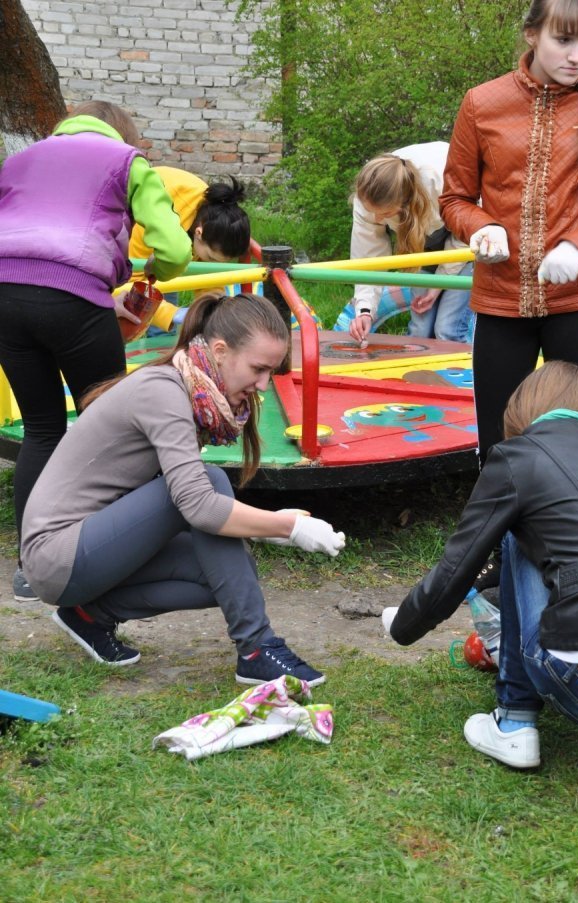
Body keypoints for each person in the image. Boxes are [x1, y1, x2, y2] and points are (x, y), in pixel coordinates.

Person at [19, 292, 346, 687]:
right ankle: (257, 648)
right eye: (258, 369)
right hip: (58, 554)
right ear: (221, 351)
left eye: (270, 372)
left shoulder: (190, 390)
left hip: (90, 547)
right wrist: (286, 528)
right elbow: (197, 504)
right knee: (208, 483)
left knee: (226, 576)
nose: (262, 385)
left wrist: (268, 525)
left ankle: (91, 615)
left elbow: (185, 505)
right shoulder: (165, 392)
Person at [0, 101, 192, 603]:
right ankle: (121, 552)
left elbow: (32, 246)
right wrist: (149, 276)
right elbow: (174, 250)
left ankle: (30, 566)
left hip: (3, 297)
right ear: (123, 134)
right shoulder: (127, 162)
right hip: (72, 300)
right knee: (116, 425)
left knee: (43, 427)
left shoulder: (21, 159)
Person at [439, 0, 578, 587]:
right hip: (500, 300)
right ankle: (493, 559)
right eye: (564, 40)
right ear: (533, 35)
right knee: (495, 434)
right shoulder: (482, 102)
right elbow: (454, 196)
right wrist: (479, 227)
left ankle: (573, 560)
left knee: (571, 428)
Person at [383, 361, 578, 769]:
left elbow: (458, 565)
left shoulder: (519, 457)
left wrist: (404, 626)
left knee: (515, 531)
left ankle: (514, 723)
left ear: (520, 415)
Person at [333, 144, 473, 345]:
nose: (378, 218)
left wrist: (438, 285)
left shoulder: (442, 179)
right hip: (421, 244)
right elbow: (367, 260)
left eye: (386, 214)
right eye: (373, 212)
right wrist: (364, 311)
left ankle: (456, 375)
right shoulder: (367, 198)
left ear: (406, 203)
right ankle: (417, 376)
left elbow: (466, 235)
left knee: (446, 329)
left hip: (464, 241)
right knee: (420, 330)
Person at [127, 168, 251, 333]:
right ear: (199, 233)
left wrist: (212, 308)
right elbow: (130, 281)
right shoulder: (154, 220)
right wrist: (174, 314)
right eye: (211, 259)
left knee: (170, 279)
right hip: (122, 223)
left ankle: (162, 335)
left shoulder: (214, 217)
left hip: (171, 241)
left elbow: (210, 278)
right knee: (131, 315)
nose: (211, 264)